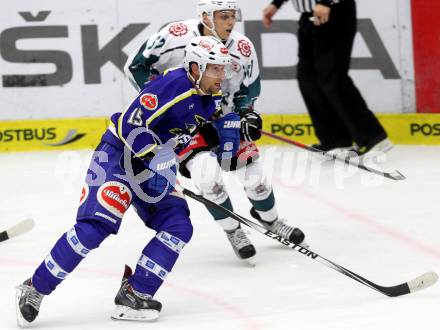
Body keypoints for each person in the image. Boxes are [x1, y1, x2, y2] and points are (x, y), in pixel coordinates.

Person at [15, 35, 240, 325]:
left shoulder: (211, 96)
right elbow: (128, 122)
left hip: (153, 169)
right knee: (94, 228)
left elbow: (192, 134)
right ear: (195, 67)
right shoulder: (171, 86)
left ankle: (134, 293)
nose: (221, 76)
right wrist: (154, 154)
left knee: (177, 226)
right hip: (118, 157)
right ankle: (34, 287)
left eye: (223, 69)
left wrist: (233, 128)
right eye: (215, 69)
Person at [125, 0, 306, 265]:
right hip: (185, 122)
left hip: (225, 119)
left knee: (255, 178)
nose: (230, 23)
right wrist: (162, 98)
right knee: (208, 178)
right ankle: (233, 231)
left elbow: (249, 87)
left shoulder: (242, 47)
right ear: (205, 16)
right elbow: (137, 67)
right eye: (223, 16)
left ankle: (272, 221)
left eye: (232, 16)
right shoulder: (175, 36)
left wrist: (246, 113)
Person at [262, 0, 393, 156]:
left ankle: (373, 138)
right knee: (308, 79)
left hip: (333, 10)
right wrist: (276, 3)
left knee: (332, 78)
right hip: (309, 14)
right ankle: (334, 140)